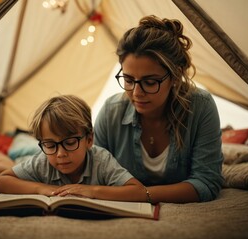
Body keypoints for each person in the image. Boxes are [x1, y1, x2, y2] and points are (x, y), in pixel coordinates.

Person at [93, 15, 224, 203]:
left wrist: (140, 194)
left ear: (176, 76)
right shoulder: (110, 112)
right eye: (129, 80)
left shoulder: (201, 106)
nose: (137, 92)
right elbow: (96, 175)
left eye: (150, 82)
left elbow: (207, 182)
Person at [0, 95, 148, 202]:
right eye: (50, 145)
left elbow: (138, 190)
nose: (60, 154)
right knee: (0, 161)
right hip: (26, 158)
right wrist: (40, 188)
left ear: (89, 139)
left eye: (70, 142)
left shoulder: (101, 160)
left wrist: (91, 191)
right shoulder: (42, 160)